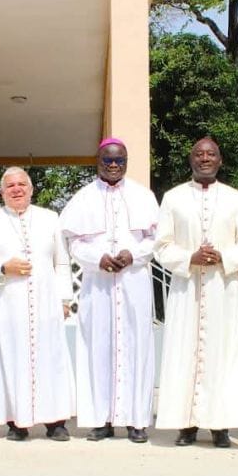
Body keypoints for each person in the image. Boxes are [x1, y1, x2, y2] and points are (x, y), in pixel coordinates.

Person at [153, 137, 238, 448]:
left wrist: (223, 256)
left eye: (211, 154)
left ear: (220, 160)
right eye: (199, 154)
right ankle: (186, 425)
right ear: (191, 159)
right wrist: (188, 258)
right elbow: (161, 245)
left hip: (223, 287)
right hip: (186, 288)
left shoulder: (236, 199)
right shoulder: (173, 198)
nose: (205, 158)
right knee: (183, 353)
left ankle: (220, 425)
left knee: (222, 355)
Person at [59, 138, 159, 443]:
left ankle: (136, 420)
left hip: (134, 281)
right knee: (97, 348)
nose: (113, 166)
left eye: (119, 161)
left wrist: (134, 254)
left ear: (126, 162)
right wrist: (96, 258)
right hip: (97, 284)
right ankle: (100, 419)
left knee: (137, 347)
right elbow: (73, 242)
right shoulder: (83, 198)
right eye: (107, 160)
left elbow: (156, 238)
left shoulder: (143, 195)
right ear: (98, 161)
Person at [0, 167, 76, 441]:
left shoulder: (50, 218)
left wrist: (65, 298)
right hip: (8, 305)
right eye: (10, 186)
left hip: (46, 302)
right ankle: (17, 423)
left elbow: (61, 261)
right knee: (11, 358)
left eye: (21, 185)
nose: (16, 190)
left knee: (50, 359)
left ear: (31, 189)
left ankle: (56, 422)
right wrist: (4, 268)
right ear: (2, 192)